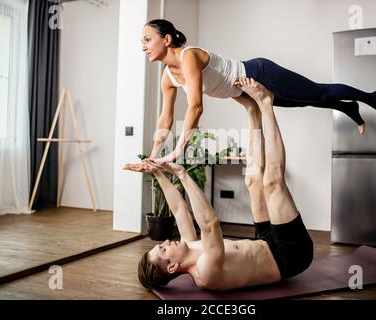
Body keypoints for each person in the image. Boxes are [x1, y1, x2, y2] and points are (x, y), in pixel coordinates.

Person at [124, 79, 313, 291]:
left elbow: (178, 210)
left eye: (162, 244)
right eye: (163, 250)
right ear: (172, 267)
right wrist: (182, 174)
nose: (166, 242)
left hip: (265, 240)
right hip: (289, 255)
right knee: (272, 182)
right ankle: (265, 102)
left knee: (252, 181)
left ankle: (252, 110)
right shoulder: (206, 272)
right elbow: (210, 223)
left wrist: (157, 172)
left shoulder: (190, 245)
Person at [141, 19, 376, 164]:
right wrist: (153, 155)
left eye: (147, 39)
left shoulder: (189, 57)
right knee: (305, 101)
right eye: (141, 41)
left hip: (260, 74)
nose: (143, 47)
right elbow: (166, 118)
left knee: (318, 92)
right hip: (248, 91)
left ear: (166, 40)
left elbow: (196, 106)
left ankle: (372, 97)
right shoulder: (168, 76)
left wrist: (178, 150)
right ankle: (348, 107)